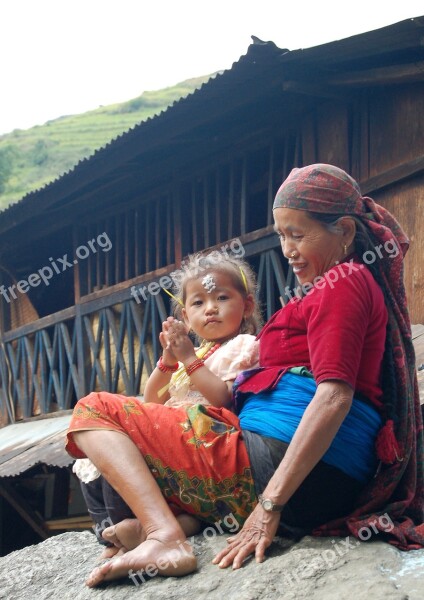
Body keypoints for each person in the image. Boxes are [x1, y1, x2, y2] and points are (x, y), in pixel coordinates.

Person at [66, 163, 424, 588]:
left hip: (283, 465)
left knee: (95, 409)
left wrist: (268, 507)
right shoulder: (342, 282)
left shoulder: (342, 282)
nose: (287, 249)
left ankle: (165, 537)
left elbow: (333, 396)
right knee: (128, 459)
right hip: (294, 467)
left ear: (345, 231)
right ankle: (157, 528)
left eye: (298, 234)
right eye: (280, 235)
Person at [68, 253, 261, 576]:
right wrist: (168, 362)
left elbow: (223, 398)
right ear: (185, 316)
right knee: (101, 450)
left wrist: (189, 360)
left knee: (97, 413)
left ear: (248, 305)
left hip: (208, 437)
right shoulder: (194, 353)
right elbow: (151, 402)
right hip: (178, 437)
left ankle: (157, 529)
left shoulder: (245, 344)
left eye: (222, 298)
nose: (210, 308)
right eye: (199, 303)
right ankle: (134, 531)